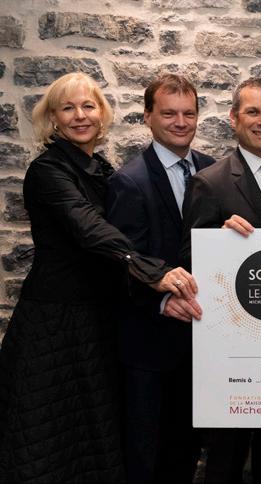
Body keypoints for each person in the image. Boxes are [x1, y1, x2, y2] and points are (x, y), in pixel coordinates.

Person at [0, 72, 195, 483]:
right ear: (52, 118)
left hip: (97, 319)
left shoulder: (101, 169)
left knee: (96, 439)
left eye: (88, 106)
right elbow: (89, 228)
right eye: (68, 108)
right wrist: (152, 271)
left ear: (102, 114)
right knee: (47, 440)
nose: (80, 115)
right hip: (55, 322)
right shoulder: (47, 170)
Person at [180, 77, 261, 483]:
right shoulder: (210, 182)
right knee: (226, 456)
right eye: (253, 112)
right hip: (231, 350)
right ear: (234, 119)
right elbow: (185, 260)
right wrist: (217, 245)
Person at [106, 73, 213, 483]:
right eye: (169, 114)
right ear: (148, 116)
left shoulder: (213, 170)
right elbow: (119, 264)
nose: (180, 122)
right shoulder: (128, 181)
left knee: (185, 454)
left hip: (201, 346)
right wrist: (163, 300)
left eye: (189, 113)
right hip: (148, 348)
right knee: (144, 458)